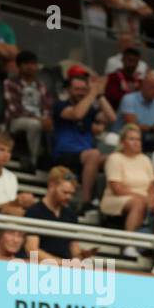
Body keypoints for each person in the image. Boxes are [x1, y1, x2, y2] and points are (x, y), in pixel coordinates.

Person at [53, 70, 115, 206]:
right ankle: (86, 201)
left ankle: (106, 202)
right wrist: (92, 93)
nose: (80, 92)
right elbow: (77, 114)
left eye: (83, 89)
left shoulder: (90, 108)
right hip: (64, 154)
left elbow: (111, 118)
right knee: (94, 154)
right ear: (68, 89)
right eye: (77, 89)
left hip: (86, 156)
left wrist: (99, 94)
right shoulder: (60, 105)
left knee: (115, 158)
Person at [101, 123, 154, 250]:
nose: (136, 143)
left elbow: (152, 184)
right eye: (132, 139)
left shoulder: (144, 159)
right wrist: (144, 198)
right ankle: (129, 244)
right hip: (116, 198)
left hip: (143, 197)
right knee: (138, 203)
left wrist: (152, 198)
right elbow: (117, 188)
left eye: (138, 139)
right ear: (122, 142)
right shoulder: (115, 158)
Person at [25, 167, 86, 262]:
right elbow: (31, 250)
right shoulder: (35, 211)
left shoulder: (71, 215)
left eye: (71, 194)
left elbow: (74, 248)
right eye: (65, 192)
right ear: (51, 186)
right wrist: (61, 263)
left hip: (65, 268)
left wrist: (81, 256)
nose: (68, 197)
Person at [4, 51, 52, 169]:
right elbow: (14, 109)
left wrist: (46, 119)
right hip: (16, 121)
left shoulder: (41, 86)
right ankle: (34, 161)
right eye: (27, 64)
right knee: (34, 124)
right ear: (19, 66)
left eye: (33, 64)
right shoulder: (10, 83)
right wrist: (39, 119)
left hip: (39, 120)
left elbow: (47, 106)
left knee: (54, 125)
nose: (31, 67)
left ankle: (50, 161)